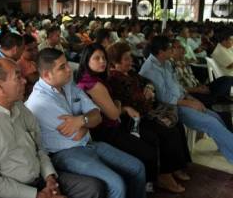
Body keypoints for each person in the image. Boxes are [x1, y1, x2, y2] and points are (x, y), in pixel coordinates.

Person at [0, 58, 106, 198]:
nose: (24, 80)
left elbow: (39, 149)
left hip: (40, 178)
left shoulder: (19, 107)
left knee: (93, 187)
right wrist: (36, 195)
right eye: (17, 77)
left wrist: (50, 178)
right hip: (13, 191)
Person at [25, 48, 146, 198]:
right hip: (64, 154)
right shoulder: (40, 102)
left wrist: (82, 120)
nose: (69, 70)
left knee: (138, 168)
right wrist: (86, 123)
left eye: (67, 64)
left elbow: (97, 115)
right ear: (46, 75)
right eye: (62, 67)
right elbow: (77, 133)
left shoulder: (68, 84)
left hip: (88, 144)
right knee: (116, 184)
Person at [106, 42, 192, 192]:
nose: (130, 61)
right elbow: (132, 101)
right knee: (166, 131)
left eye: (130, 58)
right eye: (126, 59)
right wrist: (147, 97)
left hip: (145, 113)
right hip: (132, 119)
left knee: (176, 125)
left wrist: (149, 88)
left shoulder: (131, 73)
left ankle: (176, 166)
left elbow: (147, 81)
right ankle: (164, 175)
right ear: (115, 62)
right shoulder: (114, 78)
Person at [75, 44, 160, 192]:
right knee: (148, 153)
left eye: (104, 58)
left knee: (150, 138)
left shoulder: (89, 78)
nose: (102, 61)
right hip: (105, 132)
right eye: (97, 58)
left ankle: (147, 183)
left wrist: (121, 107)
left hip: (106, 128)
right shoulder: (94, 85)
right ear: (86, 61)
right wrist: (120, 104)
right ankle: (143, 188)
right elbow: (113, 114)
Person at [140, 35, 233, 164]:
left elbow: (178, 86)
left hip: (183, 100)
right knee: (212, 123)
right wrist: (189, 103)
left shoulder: (165, 63)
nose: (172, 51)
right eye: (170, 49)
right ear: (161, 52)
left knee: (216, 117)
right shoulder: (150, 69)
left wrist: (192, 99)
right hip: (171, 107)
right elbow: (164, 98)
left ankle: (229, 154)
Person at [17, 34, 39, 98]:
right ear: (21, 50)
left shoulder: (32, 61)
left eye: (35, 48)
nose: (34, 52)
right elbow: (34, 79)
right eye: (29, 50)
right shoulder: (20, 63)